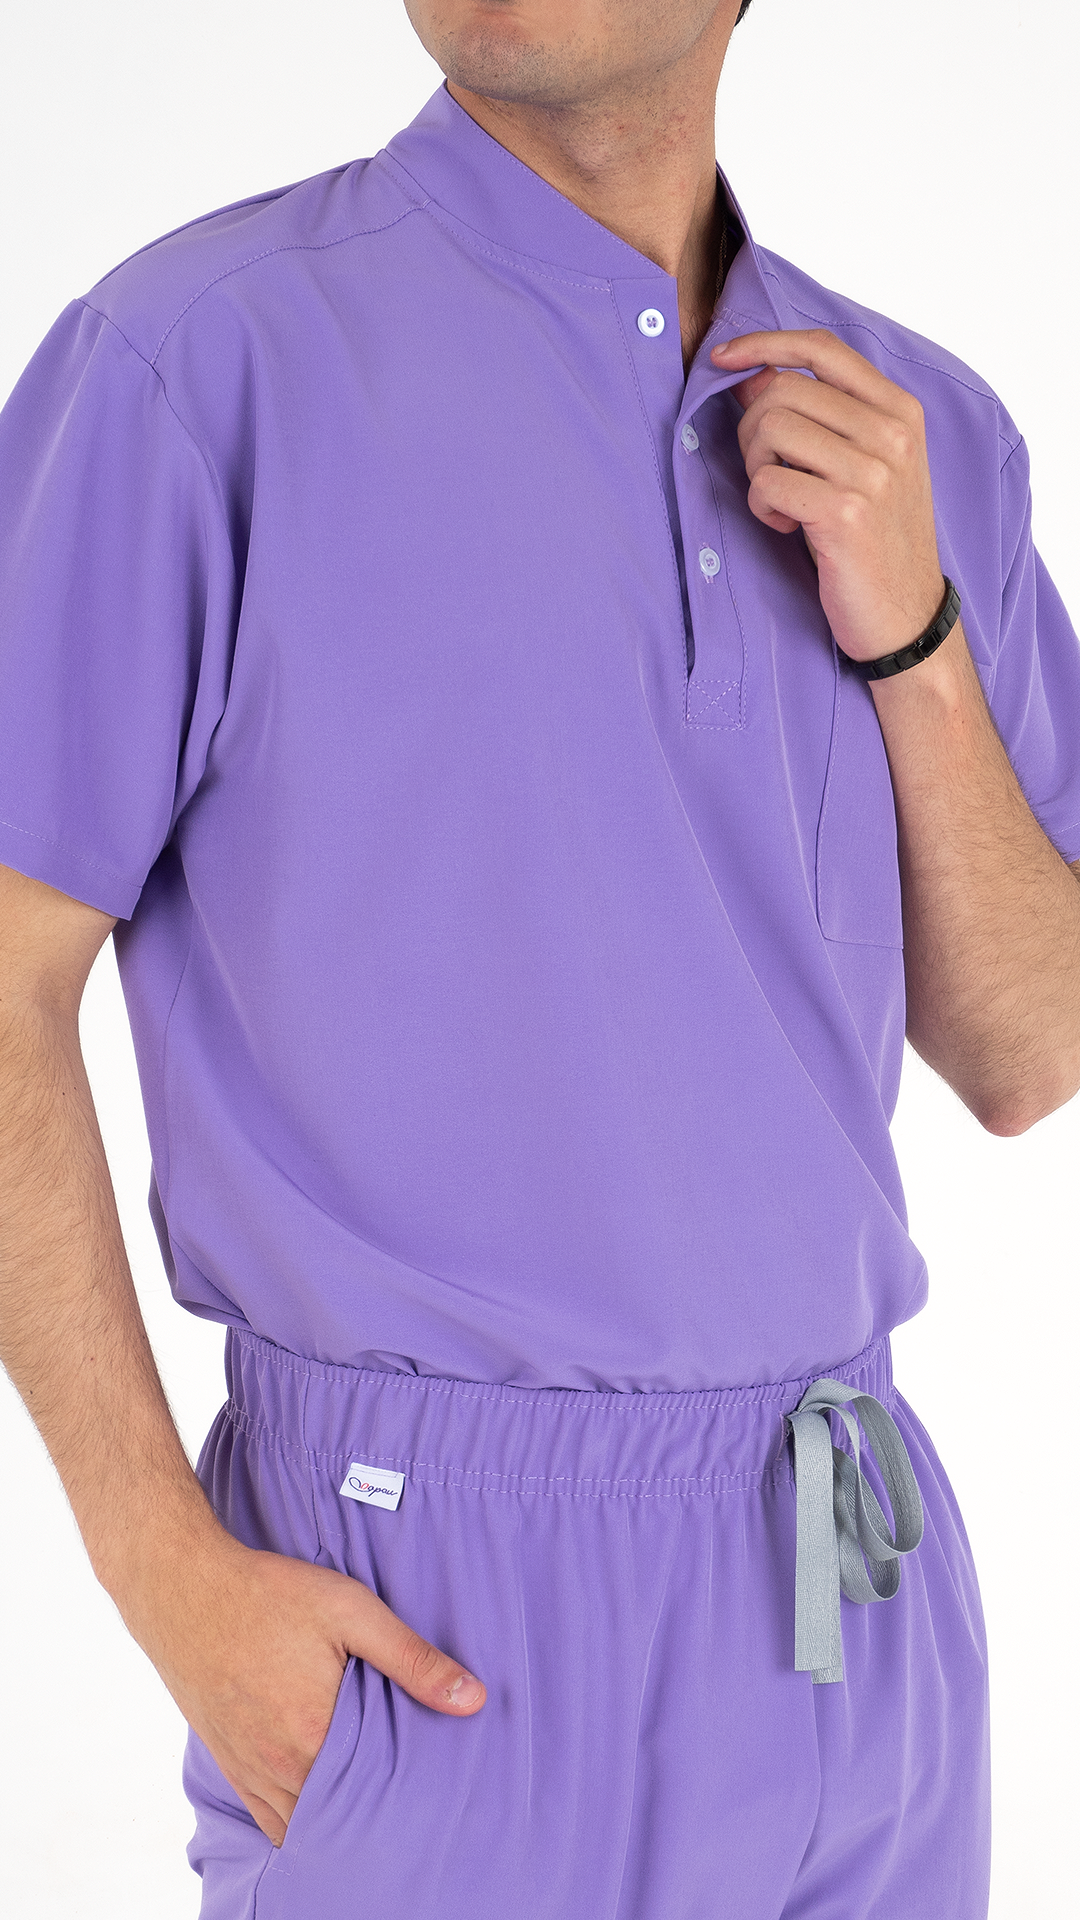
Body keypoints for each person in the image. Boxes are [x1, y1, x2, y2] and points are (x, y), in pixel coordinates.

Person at [2, 1, 1079, 1914]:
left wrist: (914, 641)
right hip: (430, 1631)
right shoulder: (197, 365)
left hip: (855, 1588)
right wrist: (162, 1571)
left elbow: (1030, 1050)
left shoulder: (925, 436)